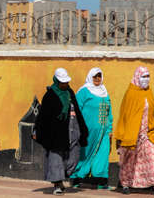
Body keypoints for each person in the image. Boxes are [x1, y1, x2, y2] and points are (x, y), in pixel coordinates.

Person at [114, 66, 154, 195]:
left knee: (152, 156)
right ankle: (125, 184)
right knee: (130, 160)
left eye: (148, 76)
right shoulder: (131, 93)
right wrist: (122, 134)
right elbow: (124, 115)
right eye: (143, 76)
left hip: (148, 133)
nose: (146, 79)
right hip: (133, 134)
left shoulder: (148, 92)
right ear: (137, 77)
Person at [34, 68, 88, 196]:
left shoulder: (70, 93)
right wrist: (38, 130)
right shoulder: (50, 96)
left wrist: (82, 129)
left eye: (66, 82)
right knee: (56, 159)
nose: (65, 84)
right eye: (62, 82)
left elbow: (78, 112)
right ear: (57, 81)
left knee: (73, 159)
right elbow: (43, 117)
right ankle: (57, 184)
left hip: (72, 131)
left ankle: (61, 178)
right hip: (55, 135)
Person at [70, 67, 113, 189]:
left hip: (103, 132)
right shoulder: (84, 92)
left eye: (99, 76)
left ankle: (101, 181)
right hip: (87, 131)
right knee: (85, 154)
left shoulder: (104, 92)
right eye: (95, 76)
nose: (98, 79)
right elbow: (76, 110)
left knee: (103, 154)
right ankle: (76, 178)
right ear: (90, 77)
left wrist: (110, 129)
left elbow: (109, 112)